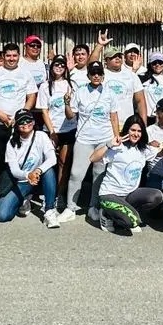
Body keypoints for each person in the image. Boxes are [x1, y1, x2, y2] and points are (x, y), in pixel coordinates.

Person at [0, 43, 38, 202]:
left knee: (19, 159)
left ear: (19, 56)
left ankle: (19, 192)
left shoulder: (25, 74)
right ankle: (2, 193)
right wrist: (0, 115)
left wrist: (21, 114)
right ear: (3, 56)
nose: (11, 59)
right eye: (8, 56)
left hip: (18, 125)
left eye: (14, 56)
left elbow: (32, 96)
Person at [90, 116, 163, 234]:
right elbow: (93, 158)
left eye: (139, 131)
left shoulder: (143, 149)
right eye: (132, 130)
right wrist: (109, 144)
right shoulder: (117, 148)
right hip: (109, 194)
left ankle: (124, 212)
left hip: (129, 194)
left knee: (157, 196)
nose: (136, 134)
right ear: (126, 131)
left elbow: (160, 152)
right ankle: (106, 213)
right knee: (133, 222)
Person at [65, 62, 120, 219]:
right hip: (84, 139)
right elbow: (70, 116)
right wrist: (67, 103)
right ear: (88, 75)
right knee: (76, 174)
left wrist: (116, 136)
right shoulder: (81, 92)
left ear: (103, 75)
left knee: (99, 174)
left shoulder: (109, 93)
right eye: (93, 73)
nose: (96, 75)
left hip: (104, 139)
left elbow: (114, 117)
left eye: (99, 73)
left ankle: (93, 207)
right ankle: (70, 207)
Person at [0, 110, 58, 224]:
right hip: (23, 180)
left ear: (33, 122)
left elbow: (52, 159)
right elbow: (14, 170)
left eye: (28, 120)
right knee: (2, 215)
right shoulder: (11, 143)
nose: (25, 124)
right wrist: (28, 175)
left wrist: (38, 170)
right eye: (21, 122)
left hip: (40, 177)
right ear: (16, 125)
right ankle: (24, 199)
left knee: (49, 170)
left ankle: (49, 210)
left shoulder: (41, 136)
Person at [38, 55, 76, 212]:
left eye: (62, 65)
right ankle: (47, 195)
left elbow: (73, 110)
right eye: (56, 65)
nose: (59, 67)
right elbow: (44, 110)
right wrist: (52, 131)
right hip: (51, 129)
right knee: (48, 163)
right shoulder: (45, 86)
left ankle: (60, 195)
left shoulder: (70, 85)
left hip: (68, 128)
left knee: (63, 164)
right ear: (51, 67)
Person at [101, 45, 146, 124]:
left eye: (119, 56)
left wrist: (144, 124)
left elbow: (140, 101)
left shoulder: (131, 75)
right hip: (106, 124)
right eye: (113, 56)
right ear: (106, 60)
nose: (117, 58)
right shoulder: (100, 75)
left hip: (127, 124)